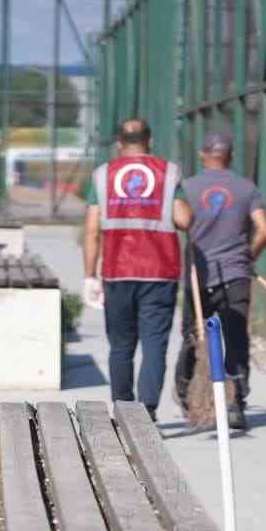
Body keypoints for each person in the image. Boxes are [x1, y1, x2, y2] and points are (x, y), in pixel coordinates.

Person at [172, 131, 266, 430]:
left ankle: (188, 398)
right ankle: (236, 405)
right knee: (236, 337)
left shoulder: (187, 187)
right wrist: (247, 257)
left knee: (193, 335)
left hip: (197, 274)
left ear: (203, 155)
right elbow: (264, 230)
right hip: (236, 273)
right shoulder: (246, 188)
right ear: (229, 156)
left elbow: (179, 223)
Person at [82, 118, 182, 420]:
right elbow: (185, 219)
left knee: (121, 346)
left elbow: (91, 229)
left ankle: (123, 409)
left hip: (117, 270)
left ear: (118, 143)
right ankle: (148, 409)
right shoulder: (170, 172)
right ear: (149, 140)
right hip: (160, 271)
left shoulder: (103, 176)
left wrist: (89, 275)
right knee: (154, 344)